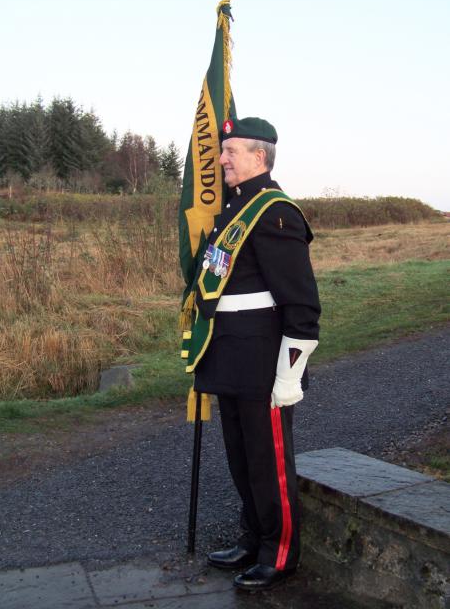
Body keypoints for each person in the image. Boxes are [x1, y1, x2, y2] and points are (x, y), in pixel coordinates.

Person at [191, 116, 321, 591]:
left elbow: (302, 306)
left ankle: (280, 552)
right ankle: (252, 537)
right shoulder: (233, 211)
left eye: (230, 152)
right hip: (229, 354)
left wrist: (289, 375)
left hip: (264, 360)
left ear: (259, 156)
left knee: (269, 462)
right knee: (242, 459)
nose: (221, 159)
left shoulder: (275, 214)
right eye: (222, 151)